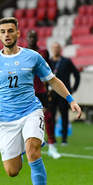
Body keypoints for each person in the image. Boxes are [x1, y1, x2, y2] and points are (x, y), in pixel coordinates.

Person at [0, 17, 82, 185]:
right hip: (7, 120)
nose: (7, 34)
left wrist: (71, 100)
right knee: (12, 171)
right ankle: (26, 145)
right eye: (4, 31)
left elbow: (52, 80)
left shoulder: (33, 57)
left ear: (18, 33)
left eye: (11, 30)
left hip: (31, 111)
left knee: (33, 152)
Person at [27, 29, 61, 159]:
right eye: (29, 36)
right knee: (22, 120)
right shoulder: (22, 52)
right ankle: (20, 149)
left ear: (37, 38)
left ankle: (52, 146)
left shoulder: (44, 53)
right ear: (26, 38)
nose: (31, 39)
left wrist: (51, 89)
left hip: (41, 90)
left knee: (48, 116)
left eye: (34, 36)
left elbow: (49, 72)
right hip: (26, 91)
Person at [50, 42, 80, 145]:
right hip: (51, 94)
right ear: (51, 49)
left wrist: (73, 89)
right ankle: (51, 138)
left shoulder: (66, 62)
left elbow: (77, 74)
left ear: (60, 49)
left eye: (57, 48)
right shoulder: (48, 61)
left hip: (63, 94)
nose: (55, 50)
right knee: (50, 116)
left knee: (64, 115)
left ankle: (64, 139)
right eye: (54, 48)